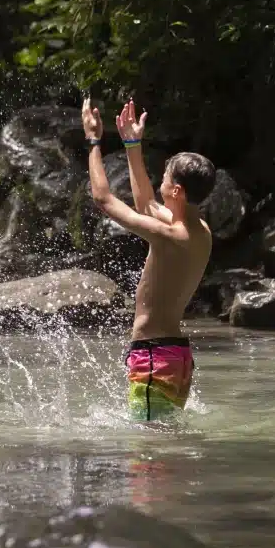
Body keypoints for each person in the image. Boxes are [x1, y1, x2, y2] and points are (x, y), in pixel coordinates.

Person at [81, 97, 215, 420]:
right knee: (161, 455)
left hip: (155, 357)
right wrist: (131, 144)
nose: (161, 184)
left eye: (165, 180)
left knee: (148, 462)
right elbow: (144, 204)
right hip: (174, 356)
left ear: (177, 192)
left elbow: (103, 198)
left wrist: (94, 141)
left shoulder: (171, 235)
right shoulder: (198, 230)